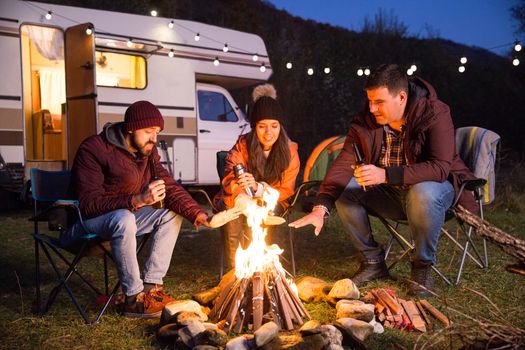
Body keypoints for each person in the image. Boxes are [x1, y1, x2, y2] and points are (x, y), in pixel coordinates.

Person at [290, 64, 477, 296]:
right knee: (347, 188)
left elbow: (440, 168)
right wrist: (321, 207)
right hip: (392, 195)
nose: (372, 108)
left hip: (435, 194)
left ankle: (422, 268)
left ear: (401, 97)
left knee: (423, 192)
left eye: (379, 102)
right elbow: (342, 163)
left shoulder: (434, 113)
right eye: (369, 101)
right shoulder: (366, 121)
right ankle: (372, 263)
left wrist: (385, 174)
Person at [62, 100, 213, 318]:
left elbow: (168, 186)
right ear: (130, 128)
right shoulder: (93, 148)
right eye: (148, 131)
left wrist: (196, 213)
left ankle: (152, 289)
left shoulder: (147, 152)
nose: (154, 138)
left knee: (170, 213)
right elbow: (88, 204)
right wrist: (137, 200)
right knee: (124, 217)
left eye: (157, 132)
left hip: (124, 221)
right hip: (83, 225)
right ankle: (133, 299)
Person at [216, 84, 300, 269]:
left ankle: (263, 266)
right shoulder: (242, 145)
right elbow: (230, 177)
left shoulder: (290, 151)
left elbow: (286, 189)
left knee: (267, 211)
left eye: (274, 126)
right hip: (242, 198)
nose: (268, 132)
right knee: (232, 211)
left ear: (280, 126)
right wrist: (243, 191)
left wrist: (259, 188)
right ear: (255, 127)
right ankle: (235, 271)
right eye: (262, 126)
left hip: (274, 201)